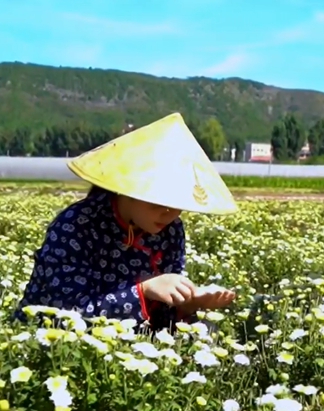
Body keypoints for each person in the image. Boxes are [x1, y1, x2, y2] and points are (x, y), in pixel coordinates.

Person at [14, 112, 238, 331]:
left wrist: (187, 303)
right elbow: (69, 313)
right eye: (159, 202)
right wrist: (144, 290)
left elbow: (160, 318)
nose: (169, 214)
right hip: (42, 339)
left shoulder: (171, 230)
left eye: (178, 204)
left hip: (129, 343)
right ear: (127, 191)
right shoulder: (75, 225)